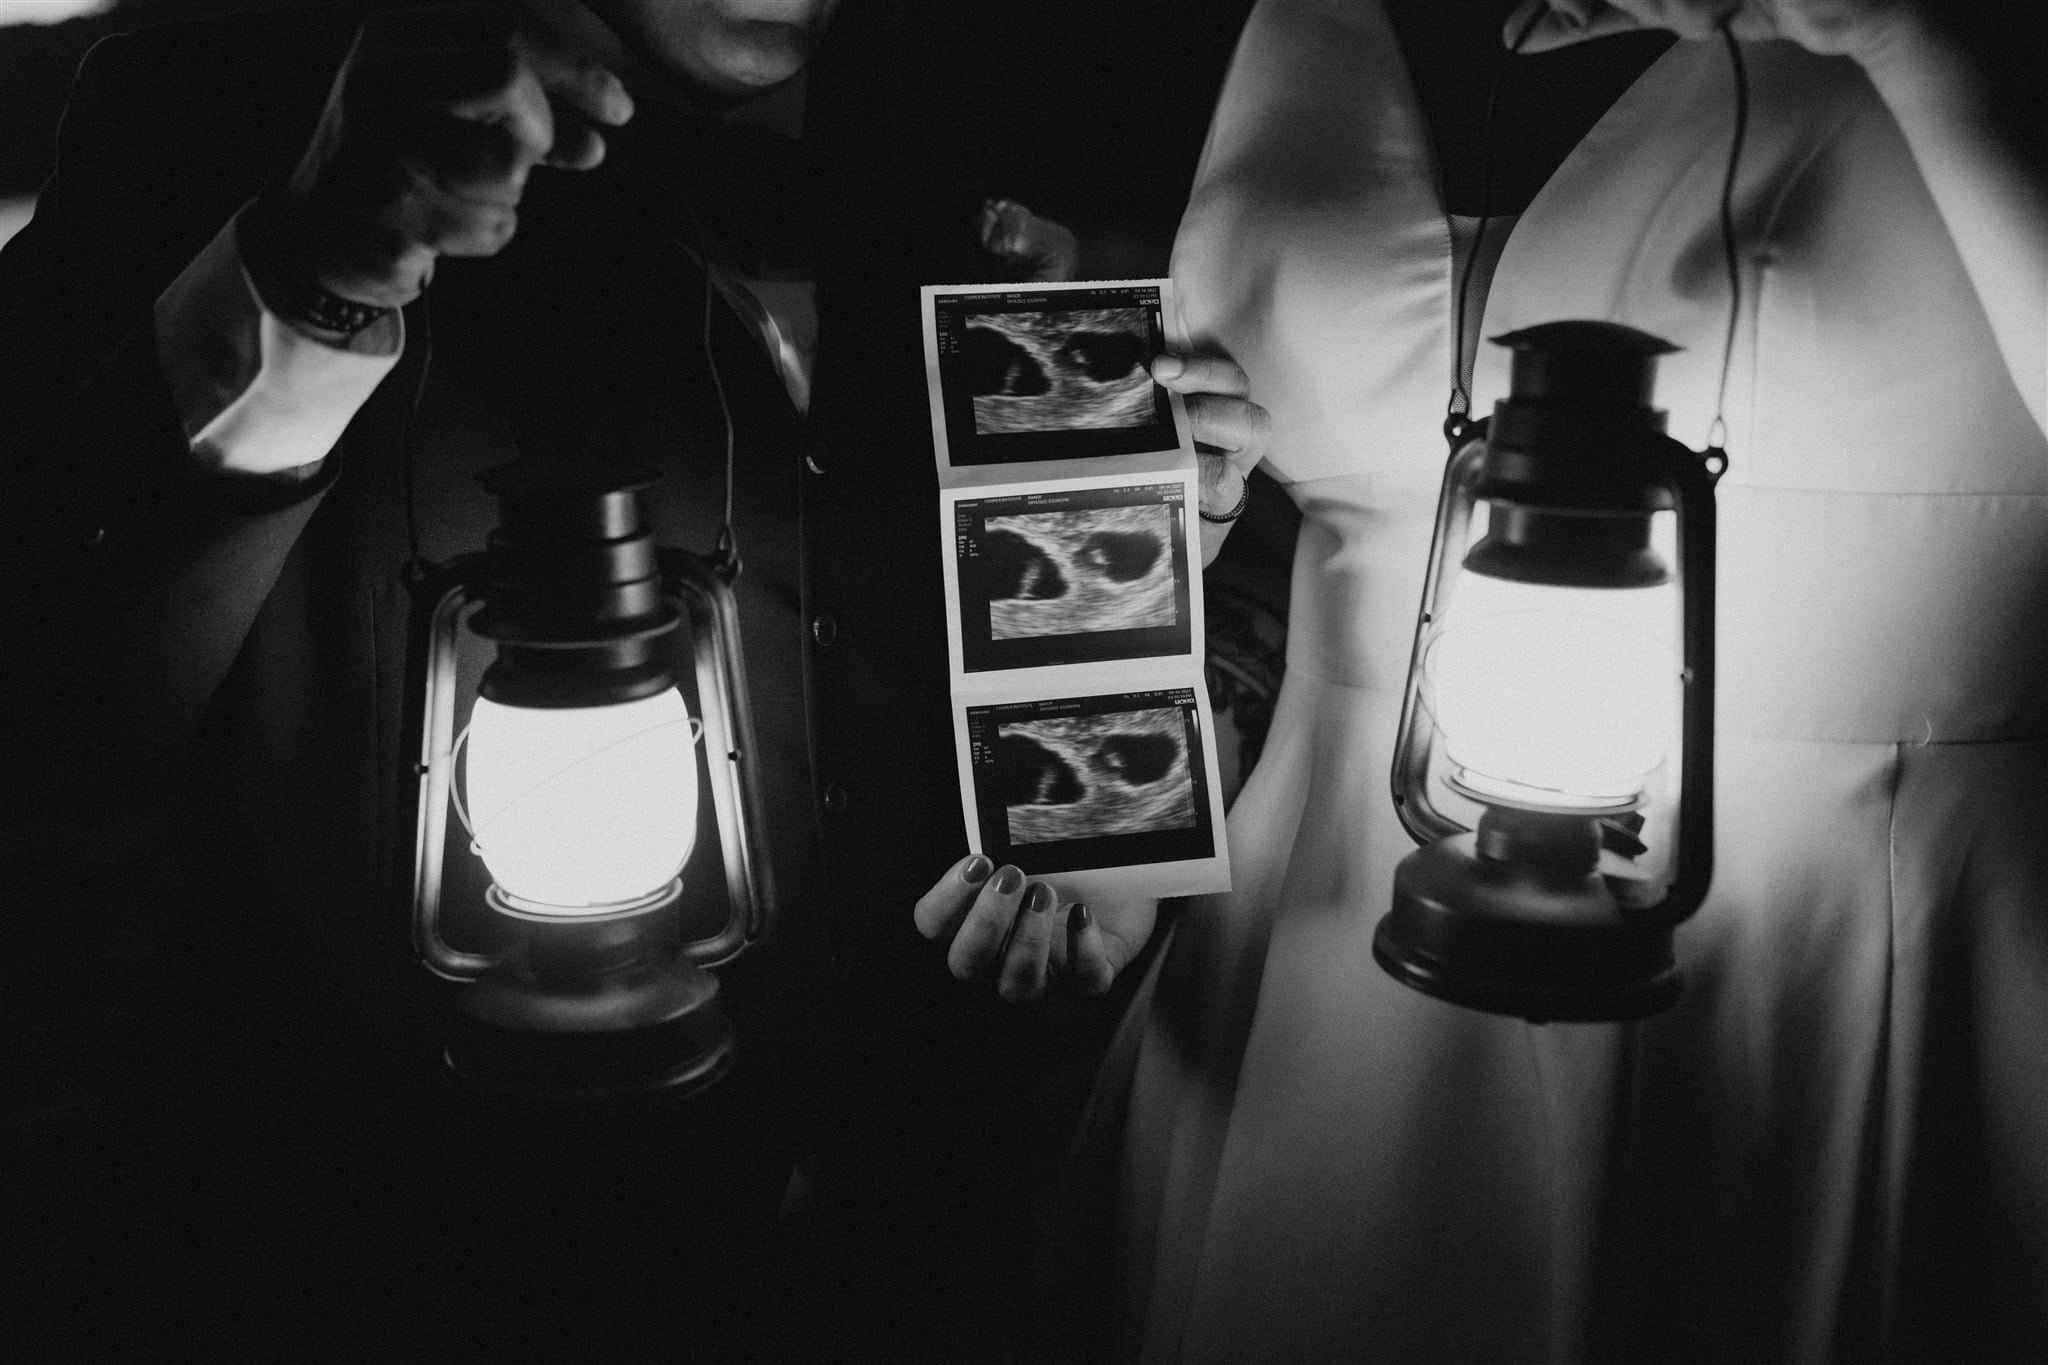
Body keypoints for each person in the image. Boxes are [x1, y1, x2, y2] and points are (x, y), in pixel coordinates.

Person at [0, 0, 1268, 1356]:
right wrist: (312, 265)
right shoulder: (214, 100)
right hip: (357, 1262)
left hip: (930, 1256)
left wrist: (1154, 764)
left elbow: (1221, 614)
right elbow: (46, 681)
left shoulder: (1044, 104)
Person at [920, 0, 2048, 1359]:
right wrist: (1120, 827)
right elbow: (1217, 491)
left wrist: (1909, 38)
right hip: (1321, 944)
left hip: (1845, 959)